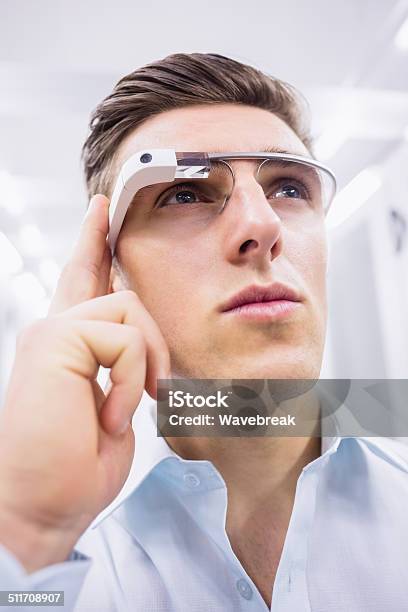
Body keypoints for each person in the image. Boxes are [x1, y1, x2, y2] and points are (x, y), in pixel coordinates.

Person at [0, 52, 407, 612]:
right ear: (110, 272)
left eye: (288, 188)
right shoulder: (54, 554)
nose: (262, 226)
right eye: (183, 195)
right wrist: (32, 533)